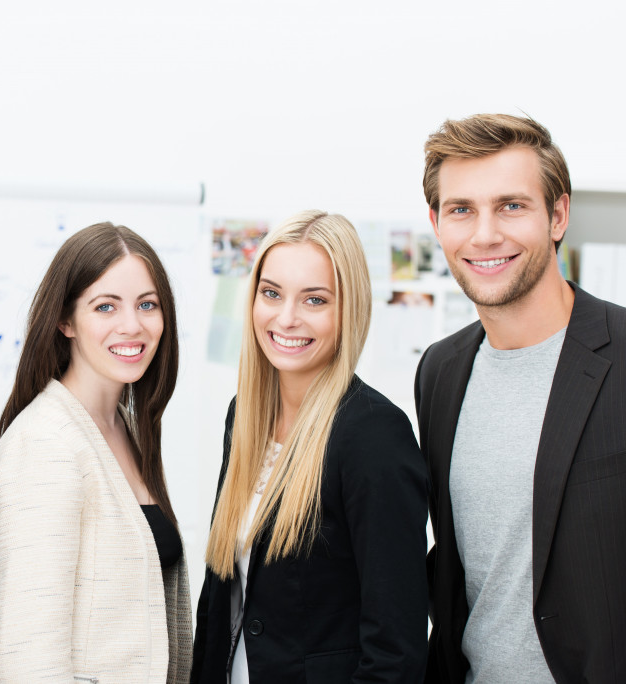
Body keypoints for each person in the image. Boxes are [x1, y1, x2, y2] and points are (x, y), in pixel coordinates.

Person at [417, 113, 626, 684]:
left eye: (511, 205)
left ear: (558, 215)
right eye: (462, 209)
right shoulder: (439, 371)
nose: (485, 234)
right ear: (437, 224)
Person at [192, 210, 428, 683]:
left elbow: (395, 648)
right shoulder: (246, 415)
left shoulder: (373, 434)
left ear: (349, 310)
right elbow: (222, 599)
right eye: (271, 293)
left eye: (314, 299)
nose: (286, 318)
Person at [0, 222, 192, 683]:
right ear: (65, 320)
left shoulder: (125, 430)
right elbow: (30, 660)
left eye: (147, 305)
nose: (132, 325)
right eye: (105, 306)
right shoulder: (45, 444)